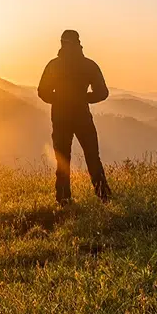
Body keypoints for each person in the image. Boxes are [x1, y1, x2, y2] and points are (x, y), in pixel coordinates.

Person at [37, 30, 111, 205]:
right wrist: (84, 98)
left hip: (60, 117)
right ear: (78, 43)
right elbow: (103, 93)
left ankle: (63, 199)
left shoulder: (54, 65)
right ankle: (104, 196)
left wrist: (59, 99)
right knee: (92, 156)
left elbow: (42, 92)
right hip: (82, 116)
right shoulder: (88, 65)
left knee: (63, 158)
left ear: (62, 43)